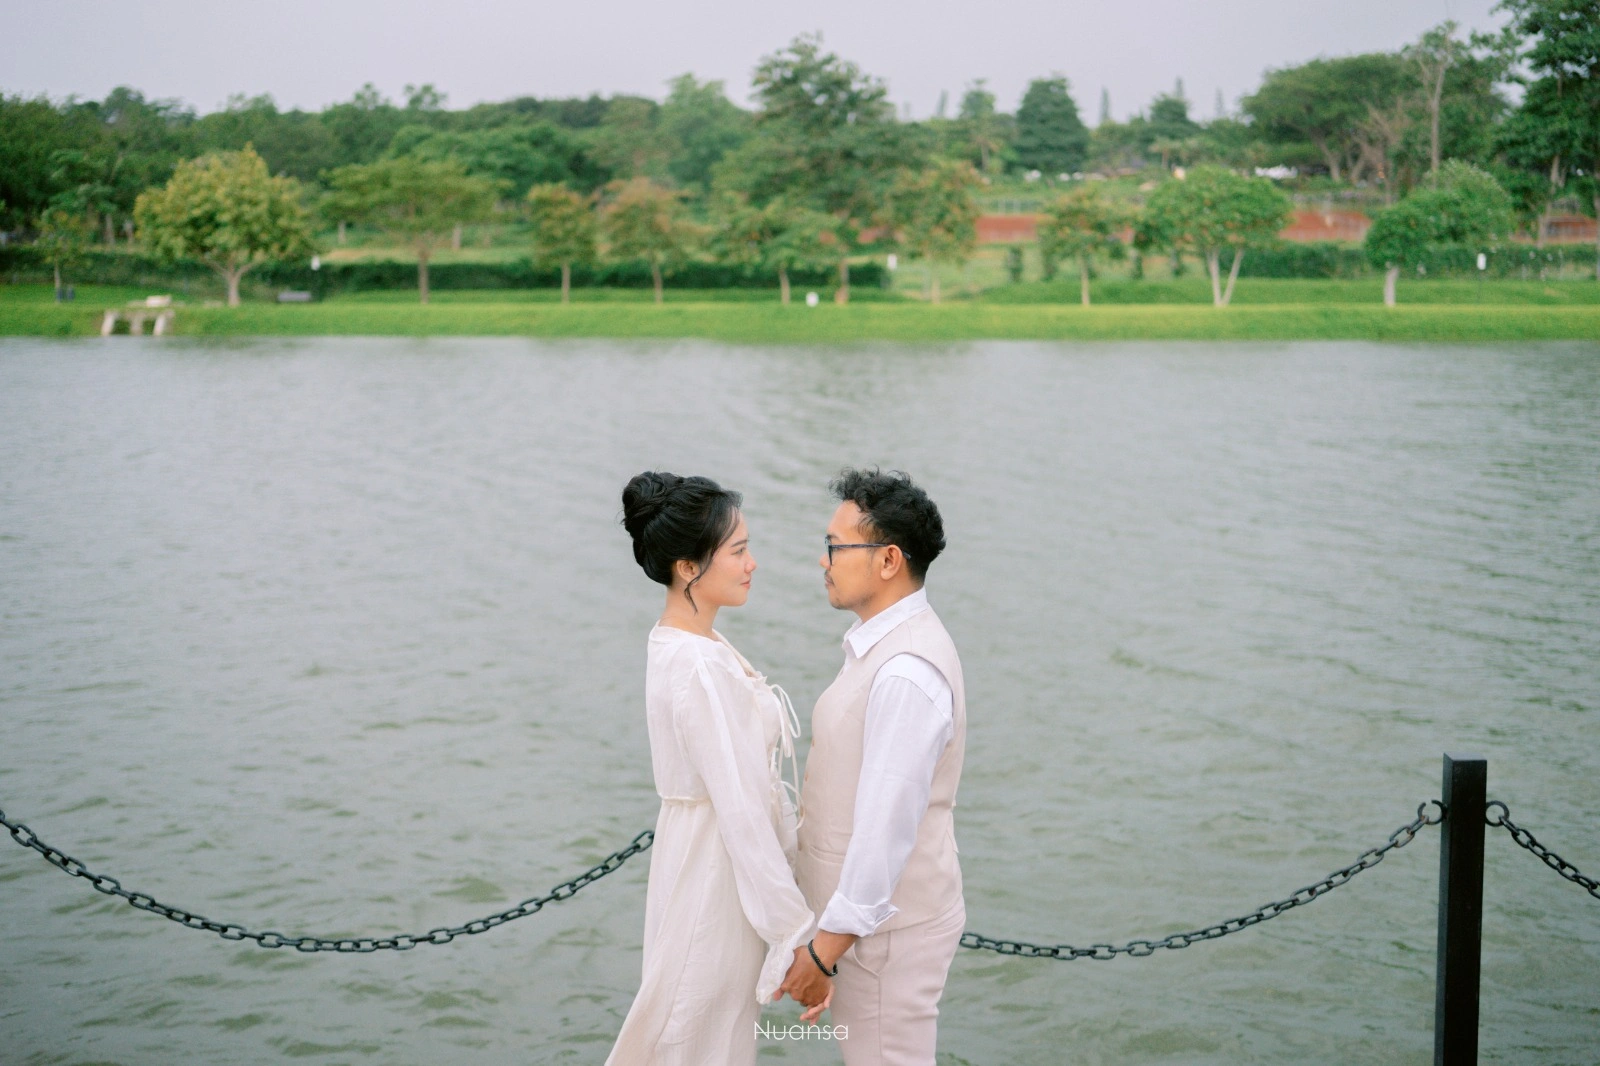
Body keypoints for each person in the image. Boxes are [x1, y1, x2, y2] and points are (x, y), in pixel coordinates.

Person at [607, 471, 830, 1066]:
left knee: (692, 1026)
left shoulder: (686, 643)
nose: (752, 563)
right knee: (696, 1030)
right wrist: (795, 936)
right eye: (738, 551)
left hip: (702, 858)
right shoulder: (701, 665)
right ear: (688, 567)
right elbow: (742, 812)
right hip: (715, 874)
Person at [779, 468, 967, 1066]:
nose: (824, 560)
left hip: (884, 939)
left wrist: (824, 952)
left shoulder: (906, 672)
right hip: (865, 933)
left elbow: (886, 826)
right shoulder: (884, 645)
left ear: (888, 560)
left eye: (836, 546)